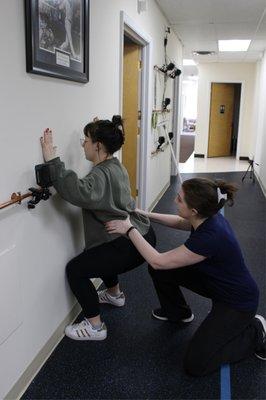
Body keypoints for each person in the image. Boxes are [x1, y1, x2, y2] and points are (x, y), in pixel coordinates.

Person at [105, 177, 266, 376]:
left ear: (194, 211)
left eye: (180, 199)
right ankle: (178, 312)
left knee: (195, 364)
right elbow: (181, 222)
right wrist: (143, 214)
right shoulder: (207, 216)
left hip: (236, 302)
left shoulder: (210, 236)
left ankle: (256, 332)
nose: (175, 201)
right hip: (214, 282)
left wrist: (129, 230)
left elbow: (157, 260)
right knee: (161, 272)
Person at [40, 116, 156, 341]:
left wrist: (53, 160)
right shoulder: (115, 165)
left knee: (76, 270)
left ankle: (95, 326)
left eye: (86, 140)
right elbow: (95, 186)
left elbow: (77, 191)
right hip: (144, 235)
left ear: (98, 145)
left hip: (129, 247)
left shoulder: (99, 175)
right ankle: (115, 294)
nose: (83, 144)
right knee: (102, 247)